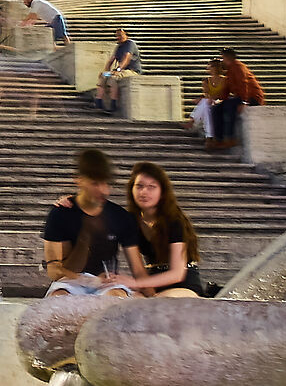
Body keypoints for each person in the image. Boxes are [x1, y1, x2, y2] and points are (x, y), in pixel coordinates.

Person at [40, 147, 136, 296]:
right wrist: (87, 280)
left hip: (107, 283)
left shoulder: (119, 216)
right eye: (95, 184)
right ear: (79, 180)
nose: (104, 191)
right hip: (70, 282)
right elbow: (54, 271)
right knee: (59, 298)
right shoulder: (61, 213)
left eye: (106, 184)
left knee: (116, 299)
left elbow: (137, 268)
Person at [115, 162, 206, 297]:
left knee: (164, 300)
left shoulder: (174, 220)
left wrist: (135, 284)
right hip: (151, 281)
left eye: (151, 187)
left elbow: (177, 273)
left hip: (183, 285)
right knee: (127, 301)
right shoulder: (130, 220)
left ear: (162, 192)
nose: (144, 192)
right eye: (139, 186)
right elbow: (137, 269)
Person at [203, 48, 266, 152]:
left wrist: (244, 102)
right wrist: (213, 98)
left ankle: (230, 138)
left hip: (252, 97)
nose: (221, 61)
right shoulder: (229, 72)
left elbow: (243, 84)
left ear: (227, 58)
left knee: (229, 106)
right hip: (241, 97)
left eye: (222, 58)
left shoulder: (238, 67)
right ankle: (218, 139)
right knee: (216, 109)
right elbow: (225, 91)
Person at [96, 29, 140, 114]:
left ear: (126, 35)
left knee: (113, 78)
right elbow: (111, 61)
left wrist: (118, 70)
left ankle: (113, 104)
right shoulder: (118, 46)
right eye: (117, 35)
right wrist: (106, 73)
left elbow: (126, 58)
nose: (118, 37)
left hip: (132, 71)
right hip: (121, 71)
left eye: (120, 35)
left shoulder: (129, 44)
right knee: (102, 75)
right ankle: (99, 102)